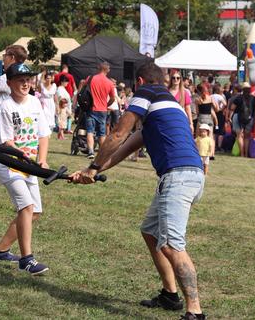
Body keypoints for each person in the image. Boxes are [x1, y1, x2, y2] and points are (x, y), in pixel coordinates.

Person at [71, 62, 206, 320]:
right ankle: (169, 295)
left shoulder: (147, 94)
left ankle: (195, 311)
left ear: (140, 83)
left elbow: (118, 134)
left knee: (173, 245)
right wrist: (92, 170)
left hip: (177, 179)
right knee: (150, 231)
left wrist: (93, 166)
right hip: (191, 175)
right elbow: (126, 147)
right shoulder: (169, 106)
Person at [0, 62, 51, 275]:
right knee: (26, 207)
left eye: (28, 80)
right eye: (21, 80)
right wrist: (23, 157)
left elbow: (43, 134)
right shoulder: (5, 107)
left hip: (29, 164)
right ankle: (27, 259)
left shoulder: (34, 102)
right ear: (9, 83)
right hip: (10, 164)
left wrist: (41, 160)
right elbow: (7, 142)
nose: (26, 84)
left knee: (35, 212)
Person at [85, 62, 116, 159]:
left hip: (91, 108)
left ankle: (90, 151)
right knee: (101, 133)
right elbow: (113, 98)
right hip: (103, 110)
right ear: (107, 70)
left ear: (99, 68)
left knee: (90, 131)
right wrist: (107, 105)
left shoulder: (90, 78)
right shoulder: (110, 83)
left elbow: (84, 90)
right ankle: (102, 154)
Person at [227, 82, 255, 158]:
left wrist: (229, 117)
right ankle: (246, 154)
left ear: (243, 90)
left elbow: (232, 108)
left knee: (239, 136)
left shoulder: (239, 98)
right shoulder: (254, 98)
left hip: (238, 117)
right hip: (249, 118)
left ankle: (242, 154)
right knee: (247, 137)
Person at [194, 85, 218, 159]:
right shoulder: (211, 98)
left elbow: (197, 112)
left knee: (198, 136)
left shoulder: (197, 100)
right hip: (209, 118)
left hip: (201, 118)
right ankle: (212, 154)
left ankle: (197, 152)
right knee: (211, 137)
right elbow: (217, 109)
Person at [210, 85, 227, 151]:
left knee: (214, 130)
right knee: (221, 131)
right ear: (218, 90)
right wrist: (220, 109)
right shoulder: (220, 96)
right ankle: (219, 146)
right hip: (219, 114)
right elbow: (225, 104)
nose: (222, 90)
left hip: (212, 113)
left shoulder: (211, 96)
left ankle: (213, 145)